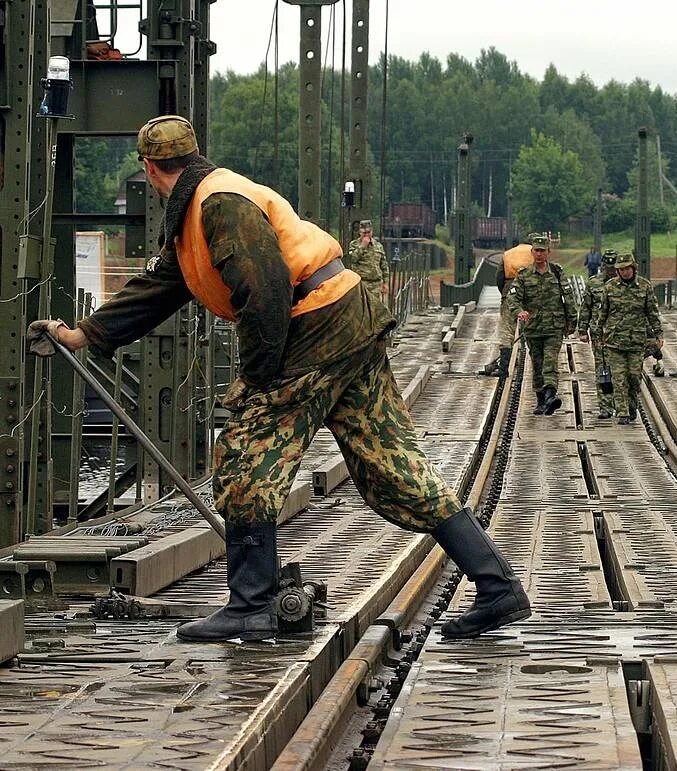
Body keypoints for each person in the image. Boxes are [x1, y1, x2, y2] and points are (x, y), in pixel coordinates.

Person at [26, 115, 530, 643]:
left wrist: (258, 379)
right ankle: (497, 586)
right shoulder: (206, 206)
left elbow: (264, 293)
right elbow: (161, 287)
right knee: (394, 468)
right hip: (348, 317)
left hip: (313, 324)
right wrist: (84, 335)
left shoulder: (218, 205)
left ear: (149, 168)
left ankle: (252, 603)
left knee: (245, 456)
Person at [583, 253, 661, 425]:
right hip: (614, 341)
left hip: (636, 340)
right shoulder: (609, 288)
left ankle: (631, 405)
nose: (624, 272)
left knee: (634, 377)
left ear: (633, 268)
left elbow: (652, 312)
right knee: (618, 378)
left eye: (627, 269)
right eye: (621, 269)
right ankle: (622, 412)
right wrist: (598, 335)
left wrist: (658, 334)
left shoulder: (644, 286)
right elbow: (602, 314)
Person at [510, 233, 577, 415]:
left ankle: (550, 395)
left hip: (554, 327)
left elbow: (568, 297)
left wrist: (573, 320)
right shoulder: (524, 275)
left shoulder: (557, 272)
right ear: (532, 252)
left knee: (550, 362)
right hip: (533, 328)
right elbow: (513, 298)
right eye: (536, 250)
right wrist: (520, 312)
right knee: (537, 364)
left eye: (543, 251)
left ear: (549, 252)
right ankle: (541, 400)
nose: (539, 254)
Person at [479, 237, 536, 377]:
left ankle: (504, 369)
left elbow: (499, 277)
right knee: (534, 329)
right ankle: (537, 369)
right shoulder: (536, 253)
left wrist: (504, 293)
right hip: (532, 293)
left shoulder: (508, 254)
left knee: (506, 330)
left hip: (510, 292)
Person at [578, 249, 619, 418]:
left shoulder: (625, 284)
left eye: (613, 268)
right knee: (603, 370)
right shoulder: (594, 283)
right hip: (599, 334)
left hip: (620, 334)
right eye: (608, 267)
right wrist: (582, 329)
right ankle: (605, 406)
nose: (610, 271)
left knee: (621, 370)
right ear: (603, 266)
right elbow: (586, 306)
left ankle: (623, 404)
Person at [344, 219, 389, 301]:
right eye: (364, 233)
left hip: (376, 284)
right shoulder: (354, 244)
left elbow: (384, 265)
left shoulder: (378, 246)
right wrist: (362, 246)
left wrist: (385, 283)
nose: (367, 235)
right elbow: (353, 259)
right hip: (361, 283)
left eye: (369, 232)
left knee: (374, 308)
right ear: (360, 233)